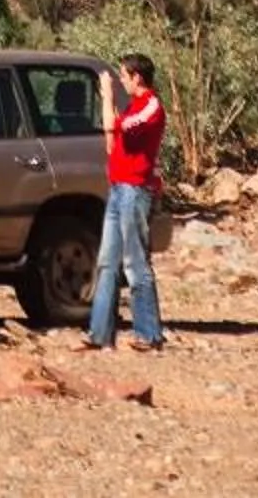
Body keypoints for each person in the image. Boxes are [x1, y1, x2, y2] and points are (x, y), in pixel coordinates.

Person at [87, 52, 167, 353]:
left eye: (124, 76)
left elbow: (113, 128)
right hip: (119, 188)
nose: (121, 81)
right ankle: (100, 333)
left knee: (135, 263)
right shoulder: (134, 106)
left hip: (136, 190)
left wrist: (106, 98)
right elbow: (113, 145)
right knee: (107, 262)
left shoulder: (151, 108)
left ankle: (149, 333)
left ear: (138, 77)